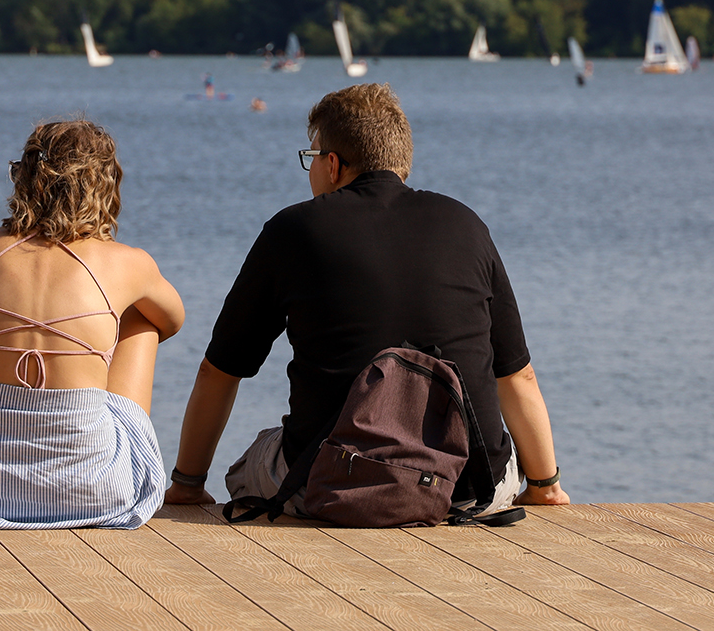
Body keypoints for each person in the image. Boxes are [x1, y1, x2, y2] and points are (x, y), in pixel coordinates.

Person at [165, 83, 568, 516]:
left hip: (332, 486)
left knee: (250, 463)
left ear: (333, 164)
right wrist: (544, 484)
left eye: (311, 158)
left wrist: (188, 484)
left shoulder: (294, 230)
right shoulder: (467, 225)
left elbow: (219, 371)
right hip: (469, 491)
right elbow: (517, 376)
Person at [0, 119, 186, 529]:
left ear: (24, 177)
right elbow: (173, 320)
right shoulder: (130, 263)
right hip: (92, 491)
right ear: (107, 185)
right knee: (138, 322)